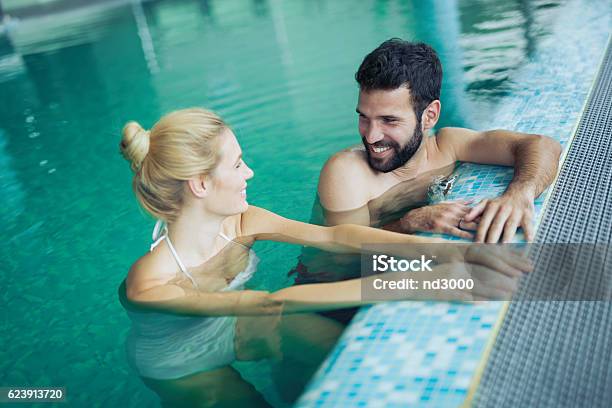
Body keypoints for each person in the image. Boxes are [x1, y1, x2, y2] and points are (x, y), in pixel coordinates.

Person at [118, 108, 530, 407]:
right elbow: (267, 302)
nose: (250, 174)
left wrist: (437, 249)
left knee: (351, 358)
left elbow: (335, 235)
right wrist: (415, 282)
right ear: (201, 185)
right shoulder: (148, 284)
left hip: (233, 321)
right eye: (238, 164)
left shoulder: (244, 221)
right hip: (181, 361)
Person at [317, 38, 562, 243]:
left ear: (429, 116)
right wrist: (409, 222)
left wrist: (519, 194)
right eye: (364, 117)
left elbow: (543, 145)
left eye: (389, 120)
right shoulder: (346, 172)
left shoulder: (447, 146)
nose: (371, 136)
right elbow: (343, 256)